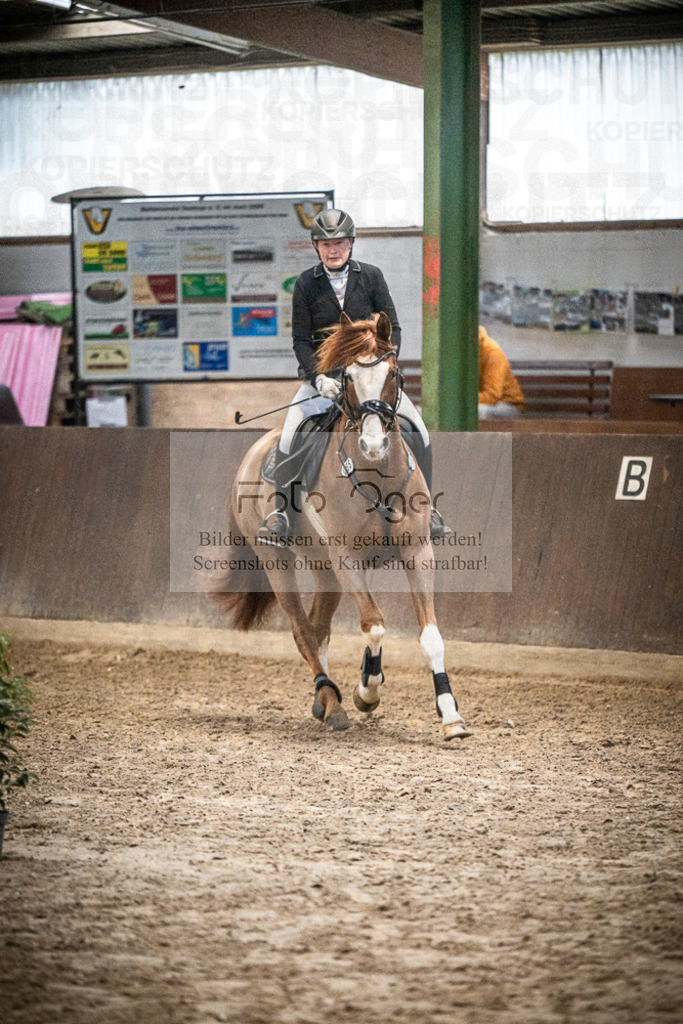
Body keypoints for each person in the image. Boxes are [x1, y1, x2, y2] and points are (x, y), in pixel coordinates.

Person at [258, 208, 450, 540]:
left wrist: (382, 368)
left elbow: (394, 328)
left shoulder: (371, 276)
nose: (334, 250)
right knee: (291, 433)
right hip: (327, 381)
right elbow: (301, 340)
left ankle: (428, 509)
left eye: (341, 242)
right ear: (316, 246)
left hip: (370, 379)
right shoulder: (306, 283)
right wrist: (318, 377)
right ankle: (282, 515)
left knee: (419, 429)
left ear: (351, 244)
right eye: (326, 243)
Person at [478, 325, 525, 419]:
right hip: (486, 403)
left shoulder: (493, 353)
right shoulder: (465, 353)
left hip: (509, 406)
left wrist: (461, 402)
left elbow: (492, 396)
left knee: (473, 412)